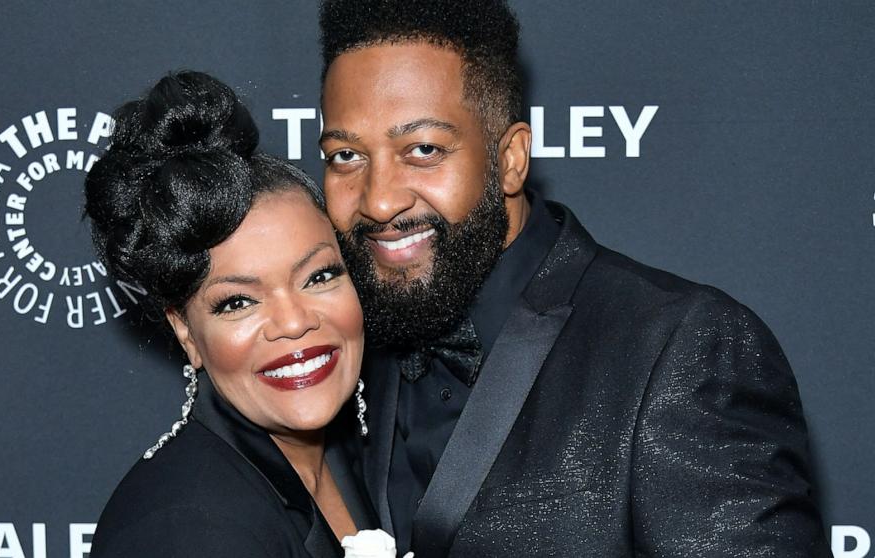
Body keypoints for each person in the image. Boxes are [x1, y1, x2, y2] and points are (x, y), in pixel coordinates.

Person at [317, 1, 831, 556]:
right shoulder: (343, 338)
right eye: (346, 156)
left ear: (510, 158)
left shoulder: (685, 347)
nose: (379, 200)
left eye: (423, 150)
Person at [85, 71, 377, 557]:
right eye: (238, 302)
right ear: (186, 332)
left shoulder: (367, 461)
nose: (293, 321)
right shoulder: (188, 532)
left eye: (320, 276)